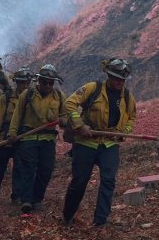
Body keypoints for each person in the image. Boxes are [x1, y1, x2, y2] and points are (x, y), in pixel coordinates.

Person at [61, 58, 137, 227]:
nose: (119, 82)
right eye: (116, 78)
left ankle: (101, 220)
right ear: (108, 76)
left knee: (109, 180)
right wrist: (80, 125)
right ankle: (68, 216)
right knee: (79, 182)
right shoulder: (92, 88)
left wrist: (125, 131)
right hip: (86, 143)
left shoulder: (127, 96)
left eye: (122, 80)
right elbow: (69, 104)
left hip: (109, 144)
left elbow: (132, 116)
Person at [7, 64, 66, 214]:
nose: (47, 85)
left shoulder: (58, 96)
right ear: (38, 81)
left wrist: (65, 121)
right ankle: (26, 200)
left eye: (50, 83)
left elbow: (65, 114)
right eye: (44, 82)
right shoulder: (27, 95)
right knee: (28, 168)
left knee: (46, 170)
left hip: (48, 140)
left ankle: (37, 199)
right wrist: (12, 133)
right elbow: (17, 115)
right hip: (28, 138)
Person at [0, 67, 33, 204]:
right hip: (5, 136)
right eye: (21, 82)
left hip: (23, 136)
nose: (23, 86)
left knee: (20, 166)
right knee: (0, 165)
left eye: (26, 83)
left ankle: (16, 196)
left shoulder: (32, 97)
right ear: (16, 82)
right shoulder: (6, 97)